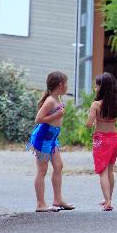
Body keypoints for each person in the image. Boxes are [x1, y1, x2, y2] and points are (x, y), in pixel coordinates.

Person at [28, 71, 75, 212]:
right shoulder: (50, 101)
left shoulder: (57, 98)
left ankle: (57, 199)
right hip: (43, 139)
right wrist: (56, 115)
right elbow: (38, 119)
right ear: (60, 85)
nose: (67, 86)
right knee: (42, 170)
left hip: (52, 139)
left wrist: (57, 115)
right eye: (66, 84)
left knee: (58, 166)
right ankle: (40, 204)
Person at [87, 72, 117, 211]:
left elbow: (89, 124)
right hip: (113, 139)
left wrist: (91, 119)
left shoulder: (96, 105)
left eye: (96, 86)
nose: (95, 88)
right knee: (110, 170)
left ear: (102, 87)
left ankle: (107, 201)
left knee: (102, 171)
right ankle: (109, 198)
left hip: (100, 140)